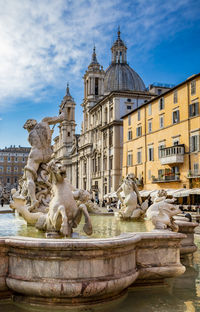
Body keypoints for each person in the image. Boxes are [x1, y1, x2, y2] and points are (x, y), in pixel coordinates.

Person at [23, 112, 65, 210]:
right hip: (48, 154)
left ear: (28, 128)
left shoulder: (29, 136)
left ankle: (34, 200)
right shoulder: (45, 121)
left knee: (29, 177)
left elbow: (35, 143)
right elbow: (61, 118)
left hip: (36, 154)